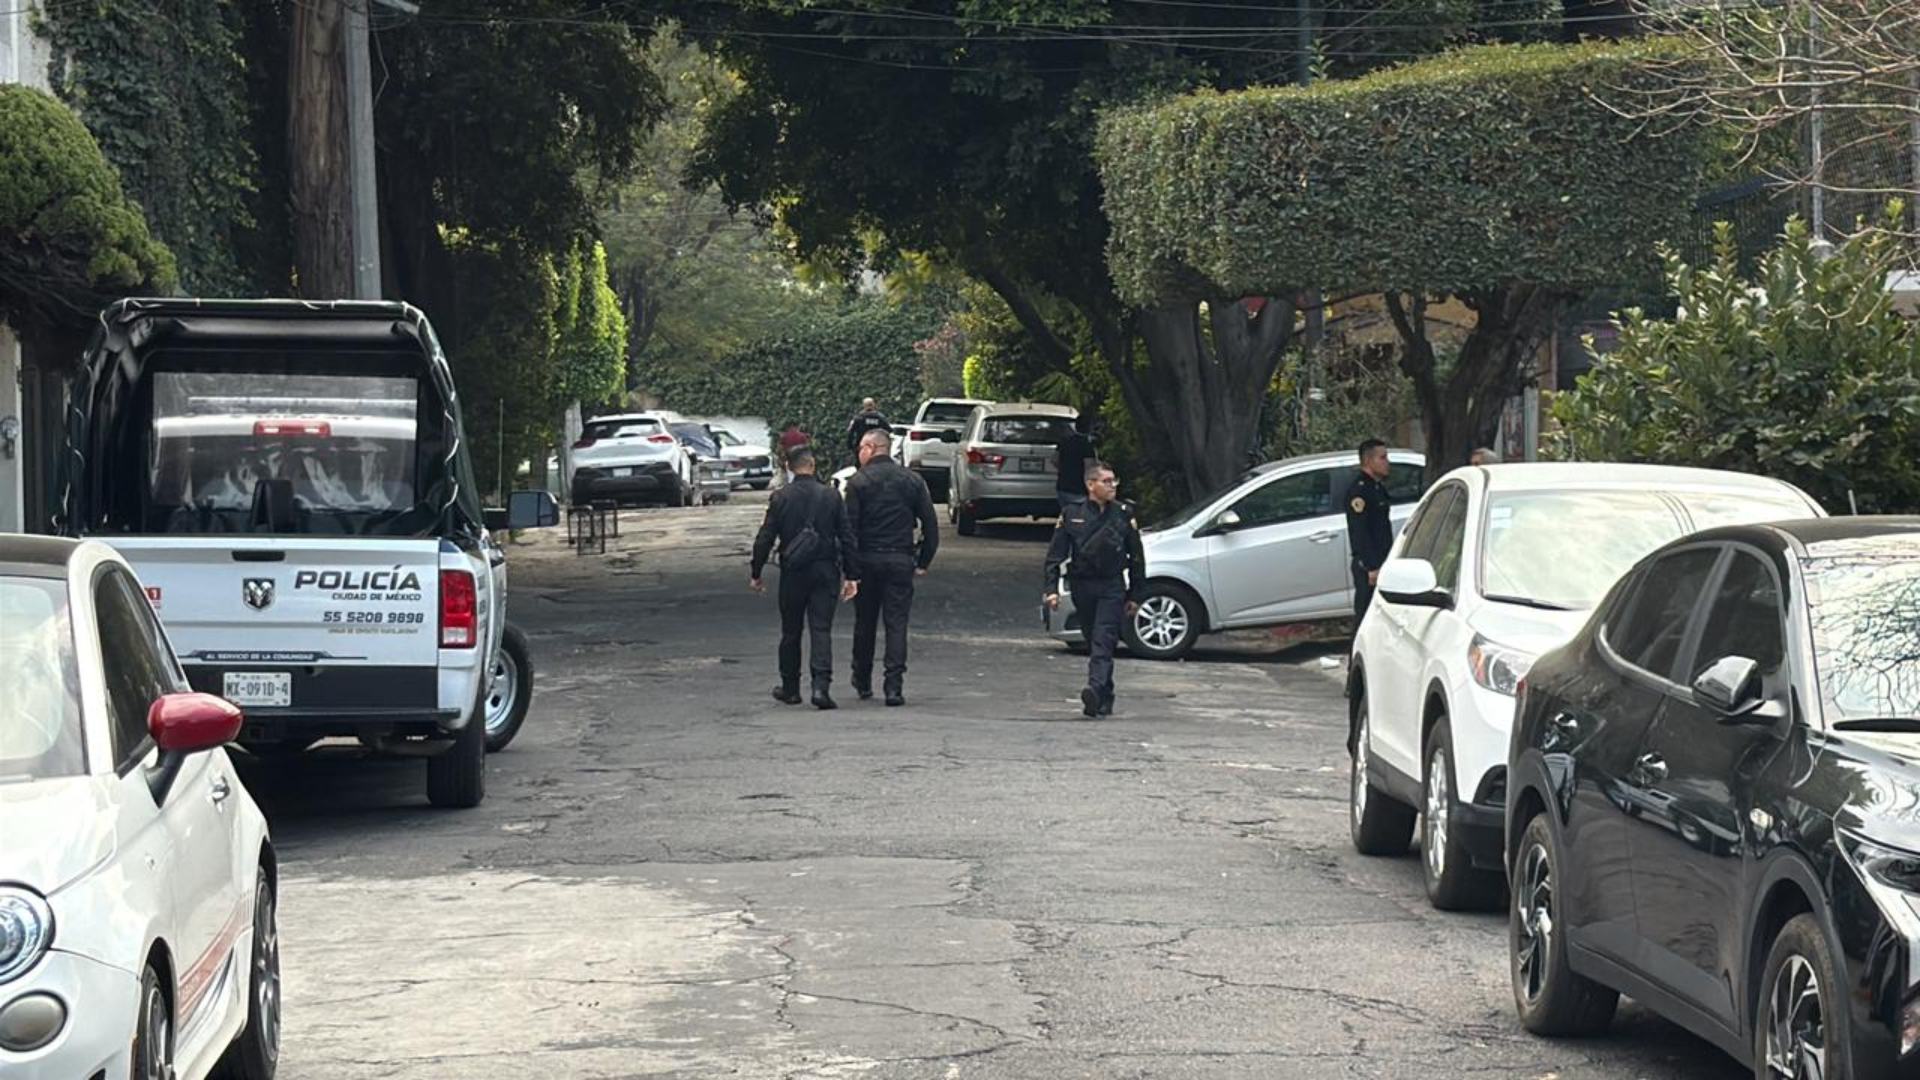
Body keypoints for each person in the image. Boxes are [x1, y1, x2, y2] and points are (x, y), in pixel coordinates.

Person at [750, 447, 859, 709]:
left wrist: (756, 571)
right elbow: (847, 537)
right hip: (825, 570)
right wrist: (852, 575)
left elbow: (765, 537)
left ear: (789, 466)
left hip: (794, 571)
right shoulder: (831, 496)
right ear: (813, 465)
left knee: (791, 631)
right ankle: (821, 688)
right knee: (821, 629)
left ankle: (790, 688)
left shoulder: (781, 497)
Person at [844, 428, 940, 706]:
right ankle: (894, 685)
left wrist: (850, 570)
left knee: (865, 623)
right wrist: (923, 561)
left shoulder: (858, 482)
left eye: (861, 447)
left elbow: (849, 530)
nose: (859, 452)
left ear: (873, 448)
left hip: (867, 560)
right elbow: (930, 526)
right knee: (896, 623)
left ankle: (862, 679)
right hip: (900, 558)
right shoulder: (912, 481)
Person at [1042, 461, 1145, 718]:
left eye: (1114, 481)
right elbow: (1056, 554)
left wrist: (1136, 594)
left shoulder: (1123, 513)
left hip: (1111, 585)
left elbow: (1137, 557)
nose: (1112, 486)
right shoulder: (1072, 513)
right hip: (1082, 584)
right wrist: (1051, 589)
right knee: (1092, 637)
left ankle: (1094, 689)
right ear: (1091, 485)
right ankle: (1105, 693)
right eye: (1106, 482)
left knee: (1103, 638)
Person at [1344, 439, 1394, 620]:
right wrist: (1371, 566)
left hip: (1382, 560)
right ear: (1368, 461)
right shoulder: (1360, 491)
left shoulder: (1377, 487)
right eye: (1382, 457)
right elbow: (1360, 531)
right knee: (1366, 616)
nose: (1387, 462)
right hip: (1369, 565)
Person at [1052, 412, 1098, 509]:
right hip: (1079, 490)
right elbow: (1089, 469)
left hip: (1063, 487)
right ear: (1089, 428)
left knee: (1067, 515)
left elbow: (1054, 460)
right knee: (1079, 518)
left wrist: (1065, 469)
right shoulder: (1087, 446)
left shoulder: (1065, 441)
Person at [774, 423, 811, 489]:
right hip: (801, 461)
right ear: (797, 426)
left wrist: (781, 459)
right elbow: (807, 448)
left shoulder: (784, 436)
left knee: (790, 479)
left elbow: (779, 449)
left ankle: (791, 491)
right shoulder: (802, 436)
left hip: (789, 460)